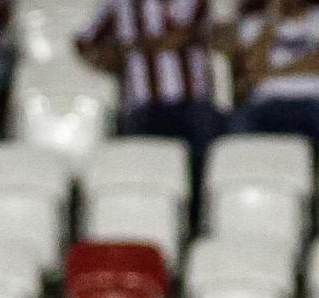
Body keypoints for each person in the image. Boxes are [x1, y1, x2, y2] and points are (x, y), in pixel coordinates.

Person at [76, 0, 222, 190]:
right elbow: (86, 41)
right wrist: (108, 61)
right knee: (143, 168)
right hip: (143, 104)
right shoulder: (120, 4)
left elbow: (182, 35)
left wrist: (131, 46)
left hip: (192, 101)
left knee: (204, 163)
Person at [230, 0, 319, 146]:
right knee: (239, 124)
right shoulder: (253, 23)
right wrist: (272, 18)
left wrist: (270, 73)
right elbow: (251, 66)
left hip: (317, 100)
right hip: (266, 101)